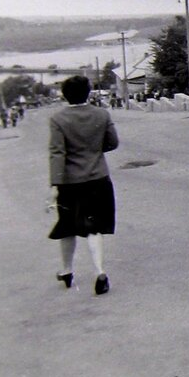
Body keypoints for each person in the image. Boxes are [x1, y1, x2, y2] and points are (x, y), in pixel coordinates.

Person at [47, 75, 118, 295]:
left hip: (70, 183)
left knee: (67, 225)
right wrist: (93, 152)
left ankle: (67, 271)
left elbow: (57, 153)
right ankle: (100, 273)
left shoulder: (58, 119)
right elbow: (112, 142)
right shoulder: (101, 114)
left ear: (64, 95)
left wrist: (55, 184)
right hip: (98, 178)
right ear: (88, 92)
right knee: (94, 227)